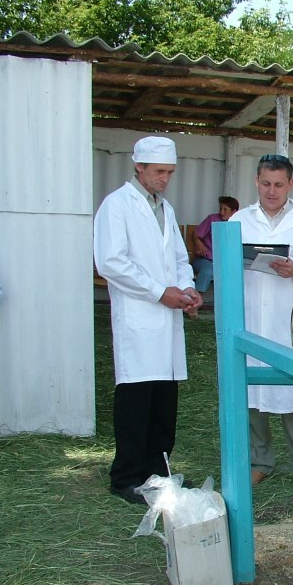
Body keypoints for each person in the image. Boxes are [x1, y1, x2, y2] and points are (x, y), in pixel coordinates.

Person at [93, 135, 203, 504]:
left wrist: (187, 289)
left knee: (163, 403)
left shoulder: (165, 209)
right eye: (158, 171)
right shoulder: (117, 206)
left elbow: (179, 258)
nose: (165, 178)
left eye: (170, 172)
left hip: (167, 318)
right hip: (139, 318)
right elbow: (110, 262)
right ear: (138, 167)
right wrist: (159, 292)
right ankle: (126, 477)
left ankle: (158, 473)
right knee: (136, 402)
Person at [233, 154, 293, 493]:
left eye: (278, 184)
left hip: (289, 318)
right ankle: (259, 462)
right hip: (251, 316)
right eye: (265, 184)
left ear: (291, 184)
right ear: (256, 182)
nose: (271, 191)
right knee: (250, 393)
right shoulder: (240, 220)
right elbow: (226, 263)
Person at [192, 196, 239, 293]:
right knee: (208, 271)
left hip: (225, 262)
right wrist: (199, 244)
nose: (221, 212)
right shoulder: (212, 219)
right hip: (205, 259)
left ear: (234, 212)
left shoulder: (238, 223)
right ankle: (196, 298)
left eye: (225, 209)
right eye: (220, 208)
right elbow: (195, 234)